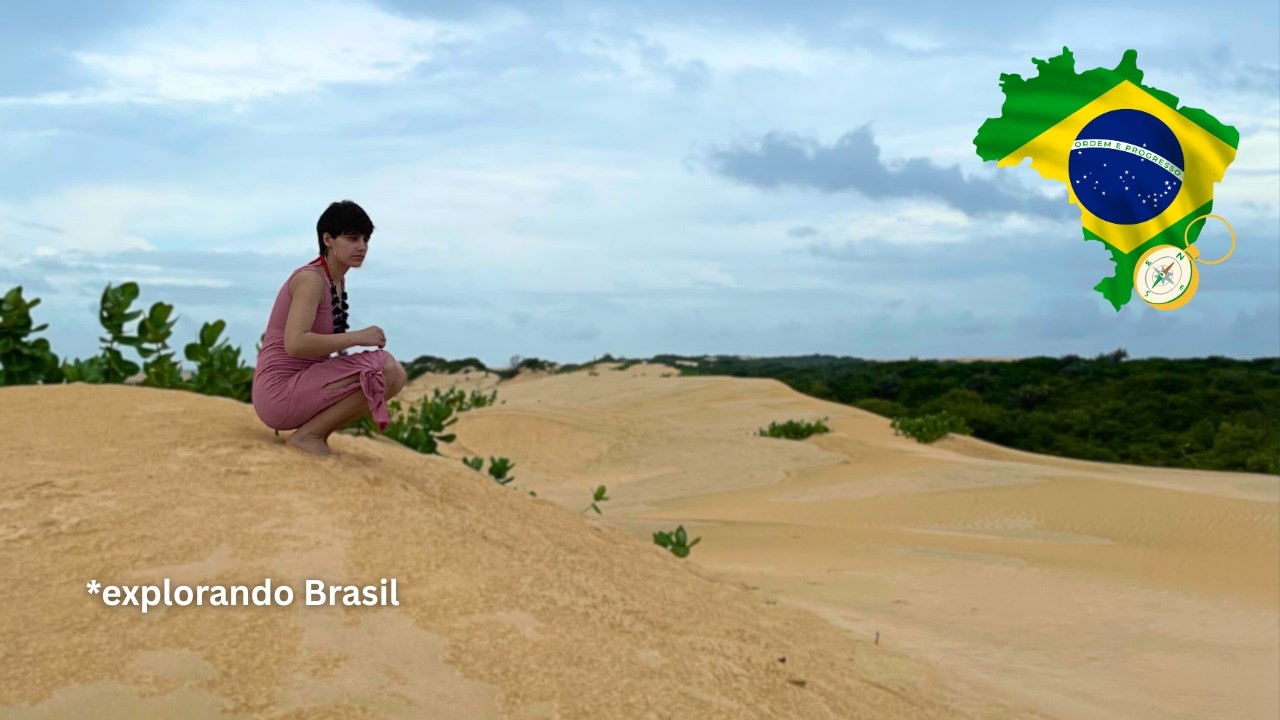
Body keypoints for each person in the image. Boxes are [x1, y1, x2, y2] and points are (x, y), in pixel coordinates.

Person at [252, 200, 407, 456]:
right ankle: (308, 436)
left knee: (394, 376)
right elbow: (296, 344)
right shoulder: (310, 280)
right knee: (386, 367)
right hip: (278, 393)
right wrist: (357, 337)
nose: (362, 247)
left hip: (303, 385)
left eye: (366, 239)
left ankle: (313, 434)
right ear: (328, 239)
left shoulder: (336, 280)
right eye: (352, 238)